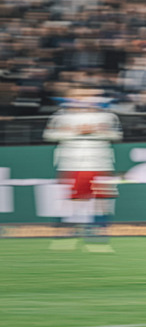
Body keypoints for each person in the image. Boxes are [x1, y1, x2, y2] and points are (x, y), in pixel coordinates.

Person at [43, 87, 123, 252]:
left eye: (90, 95)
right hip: (72, 163)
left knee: (102, 201)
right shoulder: (61, 116)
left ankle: (98, 239)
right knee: (73, 201)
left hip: (100, 163)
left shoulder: (107, 116)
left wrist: (96, 131)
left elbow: (117, 135)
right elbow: (49, 135)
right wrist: (75, 131)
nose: (86, 99)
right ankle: (66, 239)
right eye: (80, 96)